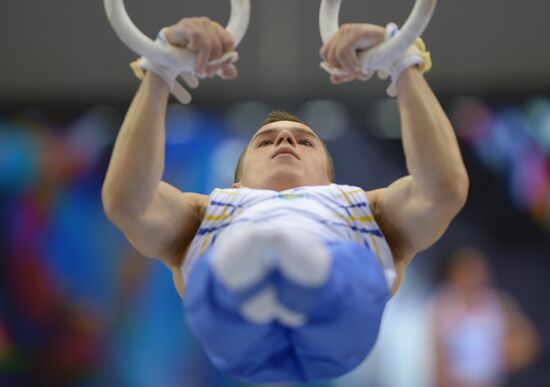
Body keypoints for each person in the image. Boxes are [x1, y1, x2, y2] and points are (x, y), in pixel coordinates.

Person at [102, 17, 469, 383]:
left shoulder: (363, 207)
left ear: (329, 179)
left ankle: (285, 271)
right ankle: (271, 272)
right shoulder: (206, 210)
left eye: (304, 140)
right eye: (265, 141)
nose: (285, 141)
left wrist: (403, 65)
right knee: (223, 288)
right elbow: (128, 202)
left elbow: (443, 190)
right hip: (244, 328)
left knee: (335, 272)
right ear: (236, 183)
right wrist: (158, 72)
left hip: (333, 313)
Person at [432, 247, 540, 387]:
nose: (473, 277)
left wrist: (505, 350)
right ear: (454, 274)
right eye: (466, 271)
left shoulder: (499, 302)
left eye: (476, 270)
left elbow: (529, 345)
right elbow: (437, 363)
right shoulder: (444, 306)